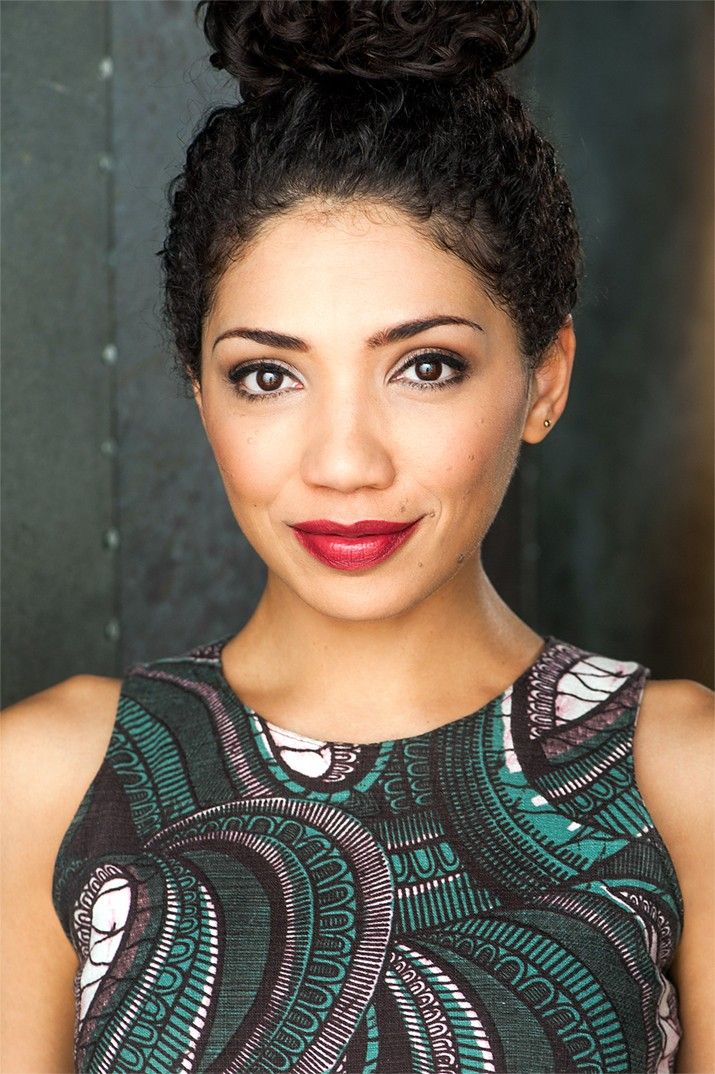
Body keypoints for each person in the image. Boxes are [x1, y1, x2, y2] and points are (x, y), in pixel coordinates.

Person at [2, 2, 713, 1072]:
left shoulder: (679, 776)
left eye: (425, 366)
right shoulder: (51, 784)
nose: (344, 463)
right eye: (267, 375)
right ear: (202, 394)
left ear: (543, 378)